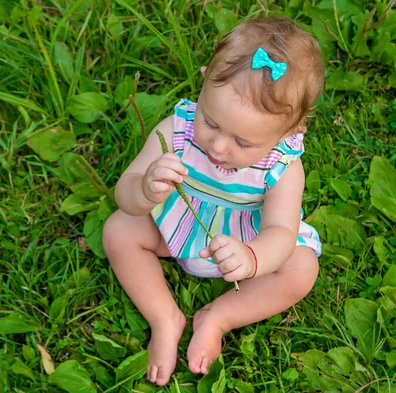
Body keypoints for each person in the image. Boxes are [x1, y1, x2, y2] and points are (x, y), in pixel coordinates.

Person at [103, 16, 325, 386]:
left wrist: (254, 256)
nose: (218, 147)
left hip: (247, 242)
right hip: (176, 227)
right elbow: (124, 191)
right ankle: (164, 317)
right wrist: (143, 190)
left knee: (302, 269)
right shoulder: (175, 131)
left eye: (242, 143)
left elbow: (281, 232)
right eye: (210, 121)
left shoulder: (284, 167)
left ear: (291, 131)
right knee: (119, 229)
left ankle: (218, 318)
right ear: (204, 79)